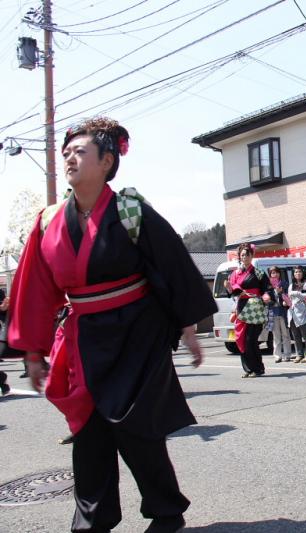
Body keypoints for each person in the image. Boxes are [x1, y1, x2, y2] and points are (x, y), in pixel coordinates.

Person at [7, 117, 216, 532]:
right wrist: (33, 351)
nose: (69, 157)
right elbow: (34, 288)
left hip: (136, 333)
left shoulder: (130, 211)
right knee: (88, 430)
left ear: (106, 161)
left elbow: (172, 266)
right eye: (66, 152)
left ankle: (166, 512)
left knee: (137, 429)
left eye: (80, 152)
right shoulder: (48, 221)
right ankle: (92, 520)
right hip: (84, 335)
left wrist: (190, 330)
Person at [226, 244, 273, 377]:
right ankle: (248, 369)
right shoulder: (235, 273)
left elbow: (267, 288)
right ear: (239, 257)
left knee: (251, 340)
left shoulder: (258, 273)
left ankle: (258, 368)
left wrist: (267, 295)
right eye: (242, 255)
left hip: (255, 309)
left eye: (247, 254)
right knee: (241, 339)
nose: (244, 257)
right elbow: (232, 292)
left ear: (252, 256)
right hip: (241, 308)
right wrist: (230, 289)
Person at [287, 266, 306, 363]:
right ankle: (299, 354)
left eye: (299, 272)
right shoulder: (291, 285)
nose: (297, 273)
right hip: (292, 312)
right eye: (295, 272)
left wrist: (296, 293)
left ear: (303, 273)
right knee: (296, 336)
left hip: (302, 312)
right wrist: (286, 302)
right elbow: (289, 298)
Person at [268, 266, 293, 362]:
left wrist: (280, 293)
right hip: (273, 312)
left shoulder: (284, 284)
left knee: (286, 334)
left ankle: (287, 355)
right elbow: (266, 297)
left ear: (279, 273)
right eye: (272, 273)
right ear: (270, 275)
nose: (275, 274)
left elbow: (288, 297)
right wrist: (268, 300)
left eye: (276, 272)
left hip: (283, 312)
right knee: (276, 335)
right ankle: (277, 355)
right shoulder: (269, 286)